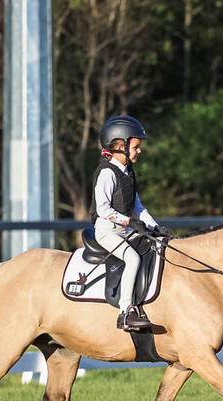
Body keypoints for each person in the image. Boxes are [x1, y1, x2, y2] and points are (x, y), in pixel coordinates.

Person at [90, 115, 169, 331]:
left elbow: (137, 206)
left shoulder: (128, 172)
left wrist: (155, 227)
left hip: (124, 229)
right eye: (136, 146)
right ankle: (125, 313)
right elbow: (103, 209)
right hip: (108, 231)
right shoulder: (107, 173)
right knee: (133, 259)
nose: (139, 151)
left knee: (157, 246)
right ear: (120, 146)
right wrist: (130, 223)